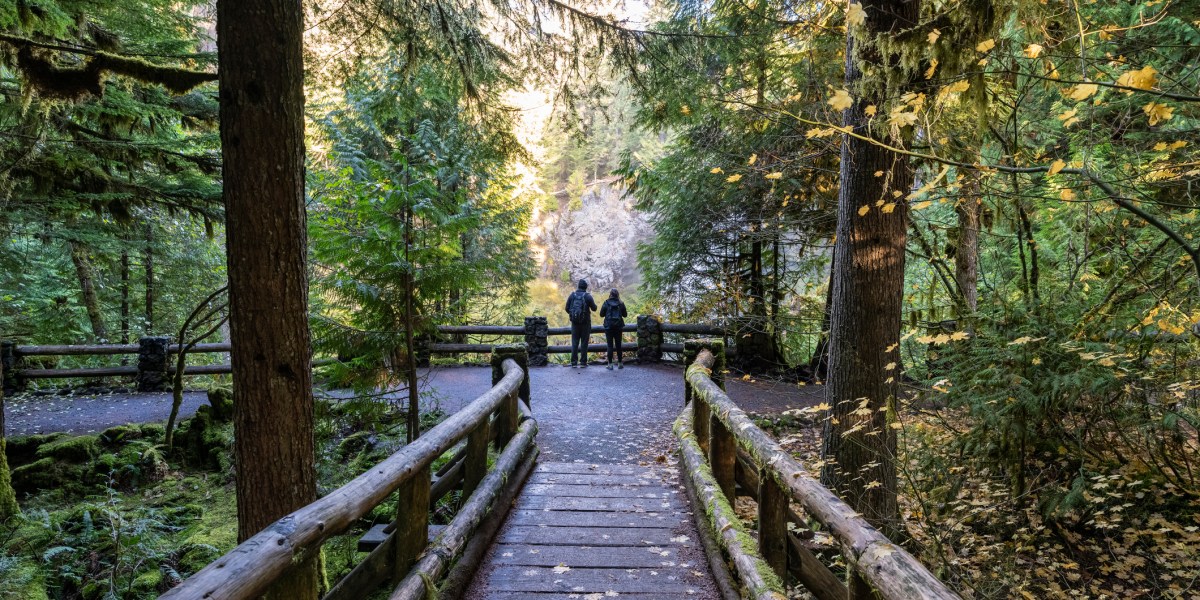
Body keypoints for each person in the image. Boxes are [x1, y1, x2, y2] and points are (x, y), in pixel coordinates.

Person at [564, 279, 597, 367]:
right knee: (584, 343)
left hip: (575, 323)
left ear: (578, 286)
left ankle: (574, 363)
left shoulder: (572, 295)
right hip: (585, 323)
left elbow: (566, 308)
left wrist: (573, 315)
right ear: (586, 287)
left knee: (575, 342)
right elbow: (594, 308)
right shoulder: (588, 296)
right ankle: (583, 363)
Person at [600, 288, 628, 370]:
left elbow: (601, 314)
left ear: (610, 294)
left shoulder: (606, 303)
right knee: (618, 345)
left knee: (610, 345)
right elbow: (625, 315)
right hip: (618, 327)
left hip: (608, 327)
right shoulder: (621, 303)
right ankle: (620, 363)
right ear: (617, 294)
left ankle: (610, 364)